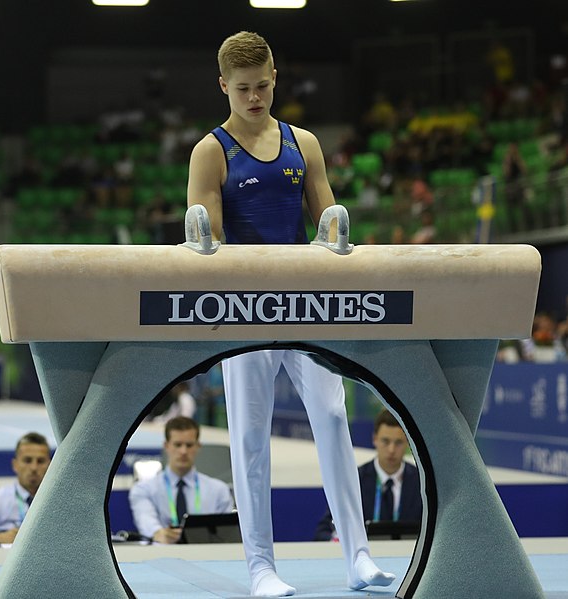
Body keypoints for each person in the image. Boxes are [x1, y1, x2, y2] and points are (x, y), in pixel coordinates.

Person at [187, 30, 395, 597]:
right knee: (250, 441)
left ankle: (357, 555)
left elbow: (327, 223)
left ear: (275, 78)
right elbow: (210, 244)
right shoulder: (211, 151)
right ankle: (260, 567)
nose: (254, 98)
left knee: (331, 420)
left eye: (262, 86)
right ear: (223, 86)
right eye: (243, 89)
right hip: (248, 310)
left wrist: (339, 233)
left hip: (306, 305)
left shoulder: (303, 143)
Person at [314, 410, 422, 541]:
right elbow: (324, 531)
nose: (391, 450)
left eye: (398, 442)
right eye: (385, 441)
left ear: (407, 443)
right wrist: (337, 541)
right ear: (374, 439)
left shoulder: (421, 482)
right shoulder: (354, 480)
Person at [128, 416, 234, 544]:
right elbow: (146, 521)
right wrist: (158, 533)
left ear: (198, 446)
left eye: (189, 445)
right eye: (178, 445)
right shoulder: (144, 489)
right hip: (161, 557)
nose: (183, 451)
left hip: (207, 557)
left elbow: (226, 534)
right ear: (166, 446)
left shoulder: (219, 490)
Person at [0, 432, 52, 545]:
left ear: (50, 465)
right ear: (15, 465)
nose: (34, 467)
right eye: (27, 460)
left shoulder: (59, 501)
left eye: (40, 461)